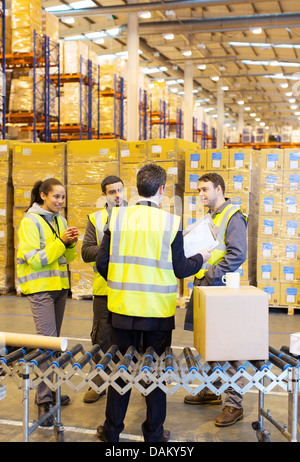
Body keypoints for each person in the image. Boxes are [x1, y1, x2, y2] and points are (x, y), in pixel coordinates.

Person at [95, 163, 212, 442]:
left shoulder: (118, 218)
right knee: (156, 374)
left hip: (122, 309)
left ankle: (112, 431)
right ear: (162, 189)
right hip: (156, 313)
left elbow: (102, 263)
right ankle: (154, 434)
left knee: (120, 370)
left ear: (137, 188)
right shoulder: (170, 222)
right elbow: (182, 268)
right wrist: (202, 258)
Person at [183, 172, 248, 427]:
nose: (201, 194)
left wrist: (210, 272)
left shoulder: (233, 216)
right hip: (207, 288)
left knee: (230, 347)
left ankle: (234, 403)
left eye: (205, 189)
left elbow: (237, 254)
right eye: (199, 190)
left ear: (218, 189)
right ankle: (212, 388)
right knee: (211, 344)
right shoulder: (210, 217)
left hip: (221, 288)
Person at [17, 178, 78, 426]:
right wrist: (61, 242)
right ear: (43, 195)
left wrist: (71, 244)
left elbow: (66, 257)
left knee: (55, 343)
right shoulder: (30, 221)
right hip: (40, 289)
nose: (60, 202)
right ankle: (43, 401)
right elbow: (35, 259)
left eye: (63, 197)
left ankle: (51, 390)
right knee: (45, 345)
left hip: (59, 288)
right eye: (56, 197)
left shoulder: (60, 221)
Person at [81, 175, 126, 403]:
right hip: (104, 290)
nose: (118, 195)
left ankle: (126, 382)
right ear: (104, 196)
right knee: (102, 338)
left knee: (130, 340)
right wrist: (110, 249)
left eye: (120, 190)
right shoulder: (96, 219)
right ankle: (98, 383)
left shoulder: (137, 217)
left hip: (130, 289)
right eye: (112, 192)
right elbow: (86, 251)